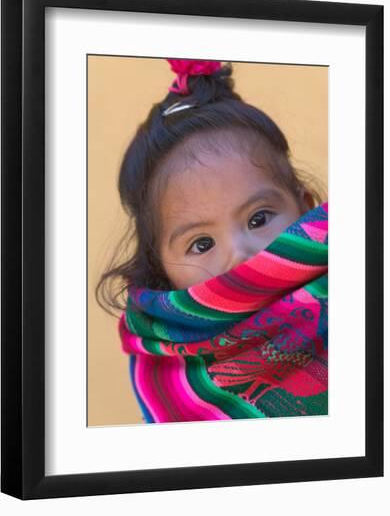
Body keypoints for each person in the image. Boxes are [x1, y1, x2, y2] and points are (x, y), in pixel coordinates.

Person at [95, 59, 328, 423]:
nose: (240, 255)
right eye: (202, 244)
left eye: (258, 218)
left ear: (306, 207)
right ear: (162, 270)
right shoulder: (172, 373)